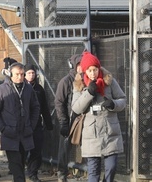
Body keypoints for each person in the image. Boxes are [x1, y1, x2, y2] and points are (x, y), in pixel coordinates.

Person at [71, 51, 126, 182]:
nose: (92, 73)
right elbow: (76, 108)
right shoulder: (79, 84)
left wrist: (113, 104)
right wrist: (89, 93)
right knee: (93, 171)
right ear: (84, 71)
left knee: (111, 168)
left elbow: (123, 100)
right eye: (89, 70)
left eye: (95, 69)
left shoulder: (109, 81)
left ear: (98, 68)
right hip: (91, 134)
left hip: (110, 132)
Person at [0, 62, 40, 182]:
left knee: (21, 165)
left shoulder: (28, 88)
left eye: (22, 74)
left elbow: (36, 107)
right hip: (10, 134)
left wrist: (31, 125)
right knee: (16, 166)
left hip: (25, 133)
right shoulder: (1, 89)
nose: (20, 77)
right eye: (17, 74)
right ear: (11, 74)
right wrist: (3, 128)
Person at [54, 53, 82, 182]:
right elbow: (59, 103)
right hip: (70, 120)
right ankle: (62, 173)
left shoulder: (87, 80)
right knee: (65, 148)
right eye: (79, 65)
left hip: (84, 120)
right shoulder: (65, 81)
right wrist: (64, 122)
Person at [24, 64, 54, 182]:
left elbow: (44, 108)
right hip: (24, 124)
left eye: (33, 73)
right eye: (29, 73)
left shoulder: (39, 89)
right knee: (23, 150)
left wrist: (48, 123)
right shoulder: (21, 87)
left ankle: (33, 173)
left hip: (37, 124)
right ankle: (20, 171)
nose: (31, 75)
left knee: (37, 150)